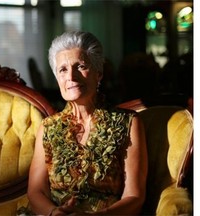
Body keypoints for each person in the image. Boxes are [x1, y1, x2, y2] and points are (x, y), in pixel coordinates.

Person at [26, 31, 148, 215]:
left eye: (80, 66)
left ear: (99, 73)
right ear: (57, 77)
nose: (71, 77)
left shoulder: (129, 123)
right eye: (63, 69)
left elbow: (135, 197)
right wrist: (53, 213)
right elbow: (36, 192)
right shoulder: (48, 128)